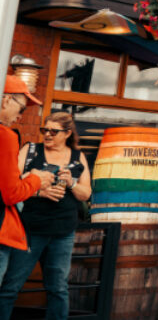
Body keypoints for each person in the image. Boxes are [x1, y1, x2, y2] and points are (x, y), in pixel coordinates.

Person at [0, 111, 89, 320]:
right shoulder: (31, 150)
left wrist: (71, 183)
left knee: (58, 289)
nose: (47, 135)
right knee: (10, 286)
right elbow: (12, 179)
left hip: (63, 233)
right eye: (44, 130)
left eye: (53, 131)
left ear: (67, 133)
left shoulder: (77, 156)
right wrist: (39, 190)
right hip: (31, 230)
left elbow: (86, 193)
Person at [0, 77, 51, 292]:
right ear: (5, 100)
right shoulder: (6, 136)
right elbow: (11, 194)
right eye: (20, 108)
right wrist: (37, 179)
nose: (20, 117)